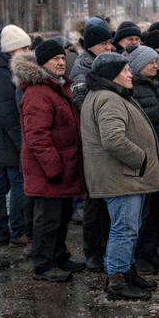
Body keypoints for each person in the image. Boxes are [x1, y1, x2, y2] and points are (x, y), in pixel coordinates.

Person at [81, 52, 159, 301]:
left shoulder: (108, 95)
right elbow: (114, 139)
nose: (130, 74)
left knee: (128, 227)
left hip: (123, 176)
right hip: (122, 177)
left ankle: (127, 272)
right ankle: (117, 279)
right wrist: (141, 159)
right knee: (124, 229)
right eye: (126, 70)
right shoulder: (109, 99)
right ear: (111, 74)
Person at [13, 40, 86, 282]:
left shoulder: (59, 87)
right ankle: (43, 265)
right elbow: (37, 137)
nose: (61, 62)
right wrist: (53, 166)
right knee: (47, 219)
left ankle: (59, 255)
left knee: (62, 216)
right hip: (49, 170)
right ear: (42, 64)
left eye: (63, 59)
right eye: (55, 59)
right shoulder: (37, 93)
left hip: (64, 167)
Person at [70, 21, 115, 271]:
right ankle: (92, 252)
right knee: (94, 201)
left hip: (104, 145)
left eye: (110, 42)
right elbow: (86, 110)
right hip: (93, 145)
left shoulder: (104, 64)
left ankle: (105, 247)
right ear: (90, 47)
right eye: (103, 43)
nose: (109, 47)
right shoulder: (82, 72)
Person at [0, 24, 32, 247]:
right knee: (16, 183)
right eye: (25, 48)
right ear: (13, 50)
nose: (28, 52)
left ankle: (1, 233)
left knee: (0, 186)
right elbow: (8, 113)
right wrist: (20, 142)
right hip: (6, 140)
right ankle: (17, 231)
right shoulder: (2, 75)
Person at [128, 46, 159, 275]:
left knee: (157, 208)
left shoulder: (156, 86)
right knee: (142, 212)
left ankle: (151, 250)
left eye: (157, 62)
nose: (156, 66)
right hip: (145, 159)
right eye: (150, 62)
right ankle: (138, 255)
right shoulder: (133, 88)